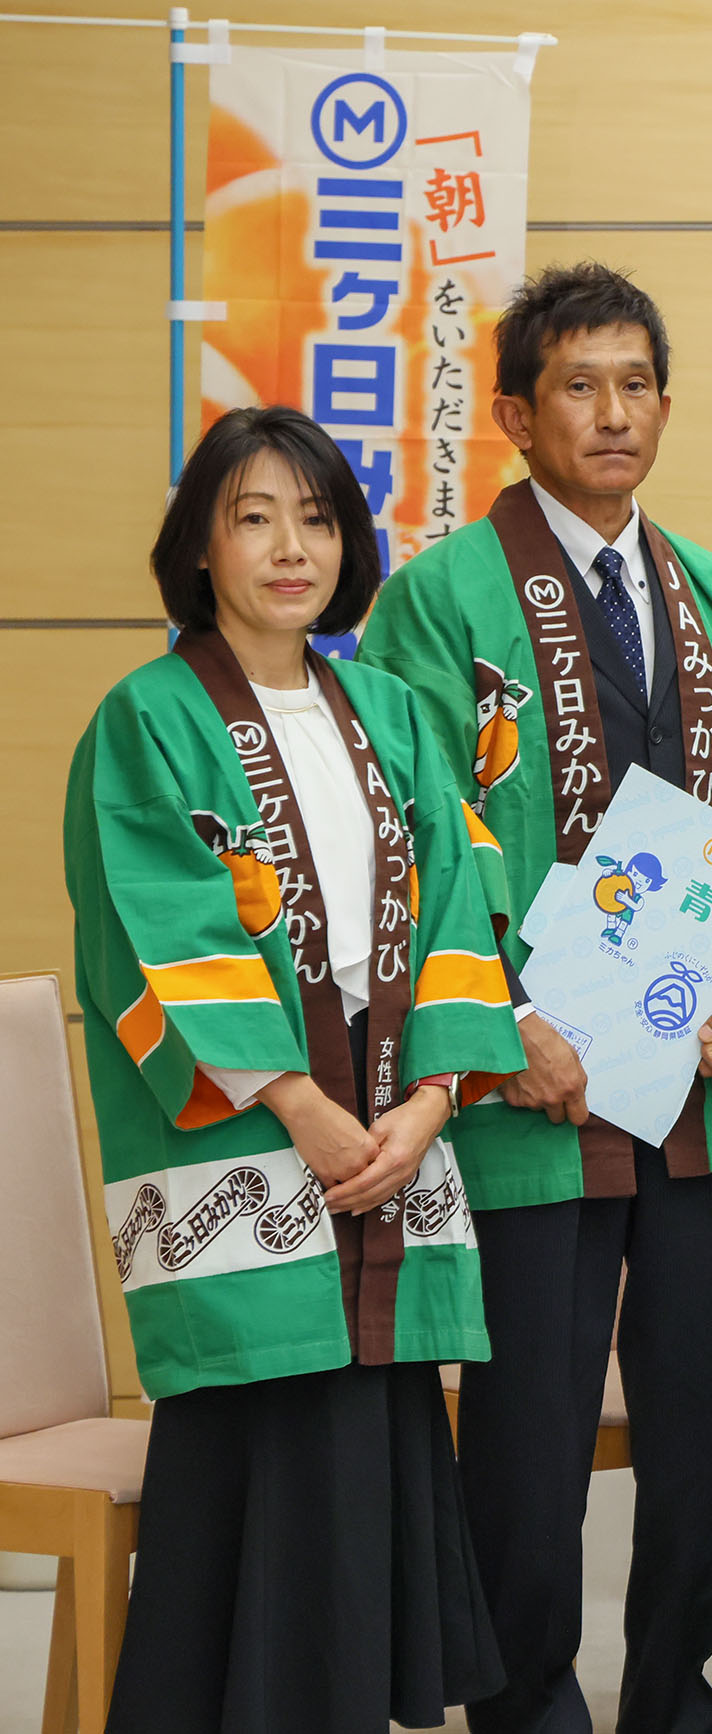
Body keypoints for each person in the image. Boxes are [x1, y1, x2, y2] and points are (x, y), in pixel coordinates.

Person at [358, 262, 712, 1734]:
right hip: (532, 1091)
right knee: (530, 1447)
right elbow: (420, 831)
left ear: (665, 406)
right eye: (578, 386)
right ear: (514, 412)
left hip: (696, 1083)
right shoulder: (441, 598)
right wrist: (505, 1024)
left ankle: (672, 1700)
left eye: (636, 386)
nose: (613, 415)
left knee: (698, 1430)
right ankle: (530, 1708)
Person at [65, 405, 525, 1731]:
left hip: (393, 1141)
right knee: (257, 1453)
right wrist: (304, 1106)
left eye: (316, 517)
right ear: (199, 545)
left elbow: (464, 904)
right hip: (250, 1148)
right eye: (253, 515)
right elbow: (158, 932)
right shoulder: (145, 719)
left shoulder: (389, 710)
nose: (290, 547)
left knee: (371, 1447)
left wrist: (430, 1102)